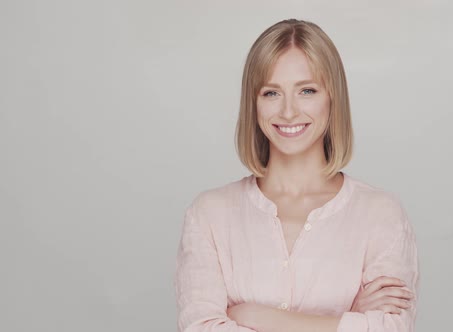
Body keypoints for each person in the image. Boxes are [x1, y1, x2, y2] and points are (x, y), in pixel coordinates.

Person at [175, 19, 419, 332]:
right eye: (271, 93)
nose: (289, 112)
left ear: (333, 98)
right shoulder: (209, 214)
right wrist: (346, 322)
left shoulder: (381, 214)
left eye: (307, 90)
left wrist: (255, 316)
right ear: (254, 103)